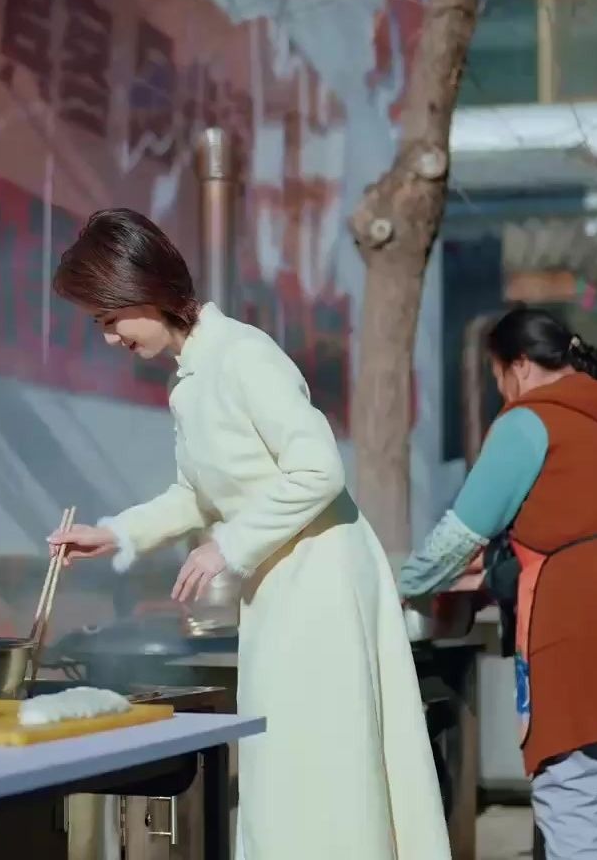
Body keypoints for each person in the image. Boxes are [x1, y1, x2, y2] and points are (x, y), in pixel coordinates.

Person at [46, 208, 448, 860]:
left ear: (142, 290)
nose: (111, 338)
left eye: (110, 318)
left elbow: (318, 470)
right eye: (100, 324)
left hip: (321, 581)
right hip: (281, 584)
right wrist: (115, 534)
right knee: (286, 767)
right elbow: (194, 495)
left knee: (321, 766)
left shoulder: (243, 355)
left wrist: (229, 545)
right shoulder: (192, 379)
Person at [399, 306, 597, 859]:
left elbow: (459, 536)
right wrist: (499, 572)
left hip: (581, 647)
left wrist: (401, 586)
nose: (502, 394)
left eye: (499, 378)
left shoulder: (529, 422)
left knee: (576, 809)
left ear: (520, 365)